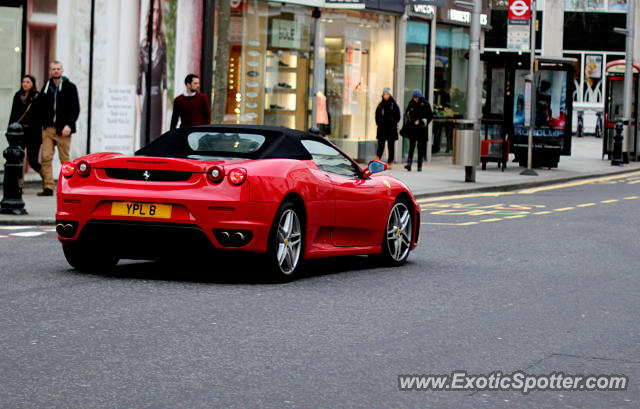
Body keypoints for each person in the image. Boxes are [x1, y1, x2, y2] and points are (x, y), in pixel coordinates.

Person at [39, 61, 80, 196]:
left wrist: (69, 125)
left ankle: (68, 186)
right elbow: (40, 105)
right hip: (48, 129)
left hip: (64, 130)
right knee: (46, 157)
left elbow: (75, 108)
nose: (56, 71)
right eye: (53, 69)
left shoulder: (70, 87)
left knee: (65, 160)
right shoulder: (46, 86)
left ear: (62, 70)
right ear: (50, 71)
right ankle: (48, 187)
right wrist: (43, 122)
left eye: (58, 69)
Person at [137, 0, 167, 145]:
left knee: (156, 142)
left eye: (157, 12)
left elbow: (165, 83)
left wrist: (164, 122)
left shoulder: (162, 46)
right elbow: (138, 87)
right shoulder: (143, 47)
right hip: (146, 100)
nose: (155, 16)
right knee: (144, 141)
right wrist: (139, 116)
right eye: (152, 12)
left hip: (158, 101)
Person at [8, 74, 43, 188]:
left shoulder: (38, 97)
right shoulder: (18, 96)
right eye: (23, 82)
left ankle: (47, 180)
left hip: (33, 134)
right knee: (19, 162)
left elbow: (41, 116)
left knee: (33, 161)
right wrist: (10, 130)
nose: (25, 84)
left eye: (28, 82)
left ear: (32, 84)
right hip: (20, 133)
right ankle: (20, 186)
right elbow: (13, 114)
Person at [403, 89, 433, 172]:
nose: (415, 99)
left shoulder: (425, 104)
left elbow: (430, 116)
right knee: (411, 146)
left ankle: (419, 165)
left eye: (416, 98)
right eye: (414, 98)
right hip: (413, 128)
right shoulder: (411, 103)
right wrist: (409, 115)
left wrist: (421, 121)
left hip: (422, 129)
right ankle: (409, 164)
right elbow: (407, 111)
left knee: (420, 148)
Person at [374, 88, 401, 168]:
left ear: (390, 95)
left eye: (387, 94)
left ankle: (390, 162)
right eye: (384, 94)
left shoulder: (394, 105)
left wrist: (393, 122)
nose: (386, 96)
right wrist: (378, 124)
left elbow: (398, 116)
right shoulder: (380, 105)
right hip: (382, 128)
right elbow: (377, 116)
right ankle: (378, 159)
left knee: (390, 146)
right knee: (380, 145)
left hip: (391, 129)